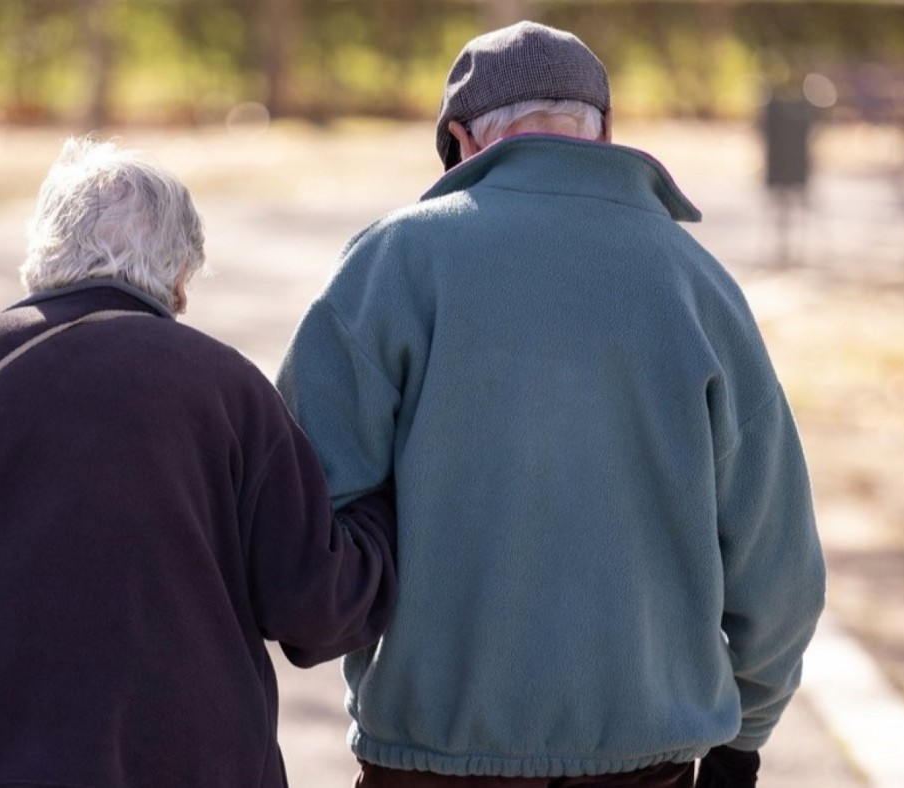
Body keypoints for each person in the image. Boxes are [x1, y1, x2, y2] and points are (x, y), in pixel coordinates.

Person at [275, 21, 825, 788]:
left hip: (429, 758)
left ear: (463, 142)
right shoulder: (697, 284)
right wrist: (744, 738)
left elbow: (301, 514)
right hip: (647, 760)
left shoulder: (393, 263)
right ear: (602, 135)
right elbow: (779, 563)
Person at [0, 138, 397, 787]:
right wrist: (385, 518)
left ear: (45, 252)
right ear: (179, 276)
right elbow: (315, 604)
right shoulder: (230, 390)